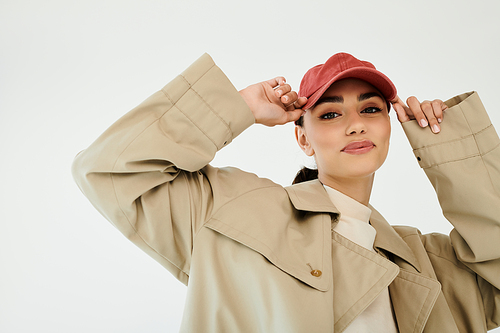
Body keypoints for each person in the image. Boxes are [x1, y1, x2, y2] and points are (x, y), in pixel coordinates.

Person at [72, 52, 500, 332]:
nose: (356, 124)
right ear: (303, 139)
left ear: (390, 126)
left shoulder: (425, 262)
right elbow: (109, 170)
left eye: (371, 108)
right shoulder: (235, 210)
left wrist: (453, 148)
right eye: (331, 113)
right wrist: (240, 105)